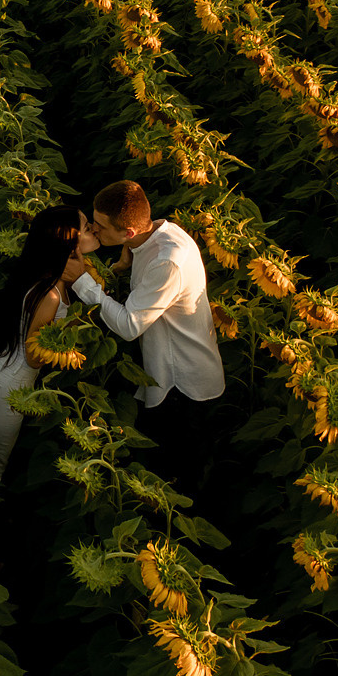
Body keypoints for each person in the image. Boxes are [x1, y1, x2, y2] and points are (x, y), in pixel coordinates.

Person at [64, 180, 225, 490]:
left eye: (99, 227)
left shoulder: (167, 261)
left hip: (182, 383)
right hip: (171, 371)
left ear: (128, 233)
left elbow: (128, 327)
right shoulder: (158, 236)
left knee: (177, 477)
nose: (94, 232)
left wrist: (84, 282)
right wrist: (124, 266)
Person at [0, 205, 100, 482]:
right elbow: (34, 356)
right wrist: (70, 337)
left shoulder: (41, 274)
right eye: (86, 227)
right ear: (68, 243)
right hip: (8, 388)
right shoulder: (51, 294)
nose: (93, 228)